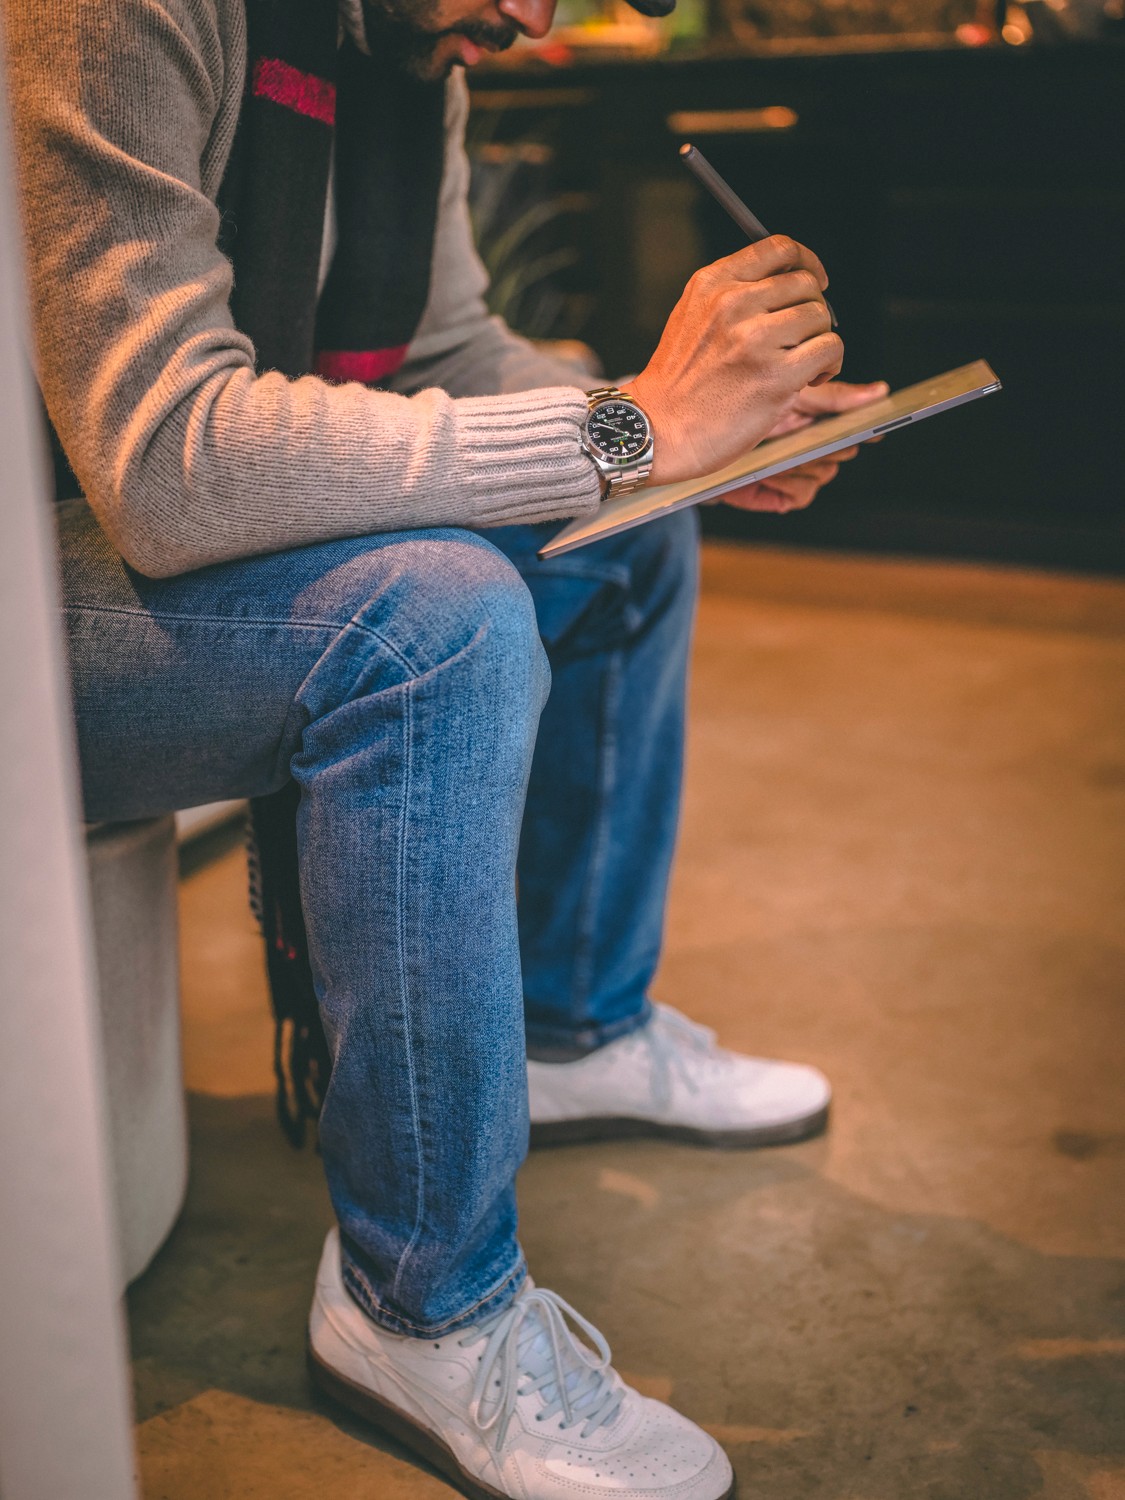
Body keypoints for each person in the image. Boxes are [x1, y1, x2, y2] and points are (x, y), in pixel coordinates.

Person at [4, 0, 887, 1494]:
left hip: (130, 543)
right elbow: (158, 458)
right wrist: (628, 422)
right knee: (438, 618)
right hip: (41, 577)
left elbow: (447, 351)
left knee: (624, 540)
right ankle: (419, 1302)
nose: (538, 18)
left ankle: (570, 1026)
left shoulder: (418, 52)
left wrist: (696, 441)